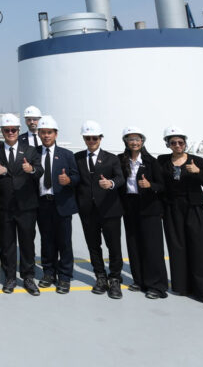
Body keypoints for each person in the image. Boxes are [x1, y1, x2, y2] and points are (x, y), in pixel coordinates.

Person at [159, 126, 203, 309]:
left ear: (185, 143)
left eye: (180, 142)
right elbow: (159, 184)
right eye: (173, 142)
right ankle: (183, 286)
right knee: (177, 247)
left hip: (194, 207)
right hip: (172, 209)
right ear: (168, 144)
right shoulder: (162, 160)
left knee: (201, 248)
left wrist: (197, 172)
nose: (177, 145)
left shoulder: (197, 161)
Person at [0, 114, 42, 295]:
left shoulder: (30, 150)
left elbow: (40, 171)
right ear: (2, 132)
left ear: (19, 130)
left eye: (13, 129)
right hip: (4, 206)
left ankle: (28, 277)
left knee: (27, 243)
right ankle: (10, 277)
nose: (10, 132)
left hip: (26, 206)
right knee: (7, 244)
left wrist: (32, 169)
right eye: (7, 130)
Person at [74, 120, 125, 299]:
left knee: (114, 246)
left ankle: (115, 279)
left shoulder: (112, 158)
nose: (91, 141)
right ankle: (100, 277)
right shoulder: (77, 158)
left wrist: (110, 183)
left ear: (100, 138)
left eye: (94, 138)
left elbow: (120, 178)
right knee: (93, 246)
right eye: (87, 138)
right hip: (88, 211)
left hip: (110, 209)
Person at [119, 126, 168, 300]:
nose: (134, 142)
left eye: (137, 139)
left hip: (149, 206)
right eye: (130, 139)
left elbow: (162, 186)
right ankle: (139, 280)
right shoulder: (121, 160)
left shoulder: (151, 162)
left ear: (142, 141)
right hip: (129, 205)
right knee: (133, 244)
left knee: (152, 247)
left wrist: (150, 185)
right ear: (126, 142)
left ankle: (157, 285)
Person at [34, 115, 79, 294]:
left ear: (56, 134)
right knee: (46, 241)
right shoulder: (33, 153)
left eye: (49, 132)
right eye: (43, 132)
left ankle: (65, 276)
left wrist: (69, 180)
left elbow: (77, 177)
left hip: (61, 204)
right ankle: (49, 273)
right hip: (42, 203)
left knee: (64, 242)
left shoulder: (67, 155)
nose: (46, 135)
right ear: (39, 134)